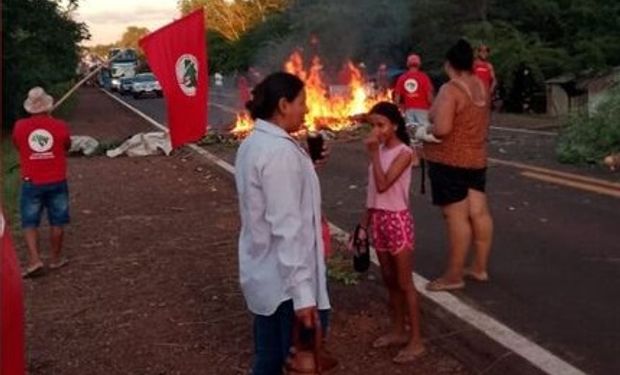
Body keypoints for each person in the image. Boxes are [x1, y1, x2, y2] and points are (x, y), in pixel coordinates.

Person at [235, 72, 331, 374]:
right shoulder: (278, 153)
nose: (307, 110)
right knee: (291, 362)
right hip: (288, 286)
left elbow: (275, 201)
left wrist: (307, 167)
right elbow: (287, 228)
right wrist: (304, 297)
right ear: (283, 105)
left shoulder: (255, 144)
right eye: (302, 102)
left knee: (269, 358)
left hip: (266, 275)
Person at [357, 101, 425, 363]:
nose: (377, 130)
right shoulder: (381, 150)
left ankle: (416, 340)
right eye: (373, 125)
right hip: (378, 220)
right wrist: (364, 224)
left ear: (394, 125)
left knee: (405, 282)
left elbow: (385, 184)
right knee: (389, 279)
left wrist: (373, 154)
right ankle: (398, 330)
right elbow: (373, 190)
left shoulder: (404, 153)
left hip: (396, 220)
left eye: (381, 125)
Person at [424, 39, 494, 291]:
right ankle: (479, 267)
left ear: (448, 64)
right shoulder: (482, 86)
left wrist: (425, 130)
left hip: (450, 161)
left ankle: (453, 276)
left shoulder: (450, 89)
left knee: (456, 217)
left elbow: (442, 129)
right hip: (476, 159)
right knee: (479, 212)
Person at [12, 87, 71, 278]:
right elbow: (66, 146)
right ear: (48, 107)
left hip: (31, 182)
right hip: (57, 181)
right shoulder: (60, 125)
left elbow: (17, 144)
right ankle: (55, 259)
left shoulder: (20, 126)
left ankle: (35, 259)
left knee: (30, 222)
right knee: (58, 221)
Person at [394, 54, 434, 128]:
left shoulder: (402, 78)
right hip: (423, 111)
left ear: (408, 64)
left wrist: (401, 108)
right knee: (424, 134)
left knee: (412, 135)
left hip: (408, 111)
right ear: (419, 64)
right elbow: (429, 97)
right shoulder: (424, 77)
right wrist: (433, 106)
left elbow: (397, 99)